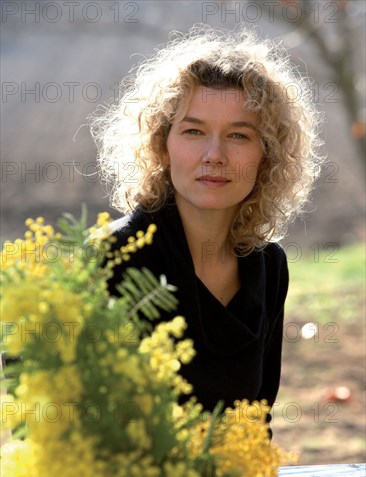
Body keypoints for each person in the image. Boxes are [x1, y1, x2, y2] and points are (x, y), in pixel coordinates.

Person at [89, 25, 323, 426]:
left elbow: (256, 423)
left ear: (267, 154)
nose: (214, 155)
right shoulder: (113, 257)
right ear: (162, 145)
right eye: (194, 131)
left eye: (239, 135)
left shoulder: (268, 265)